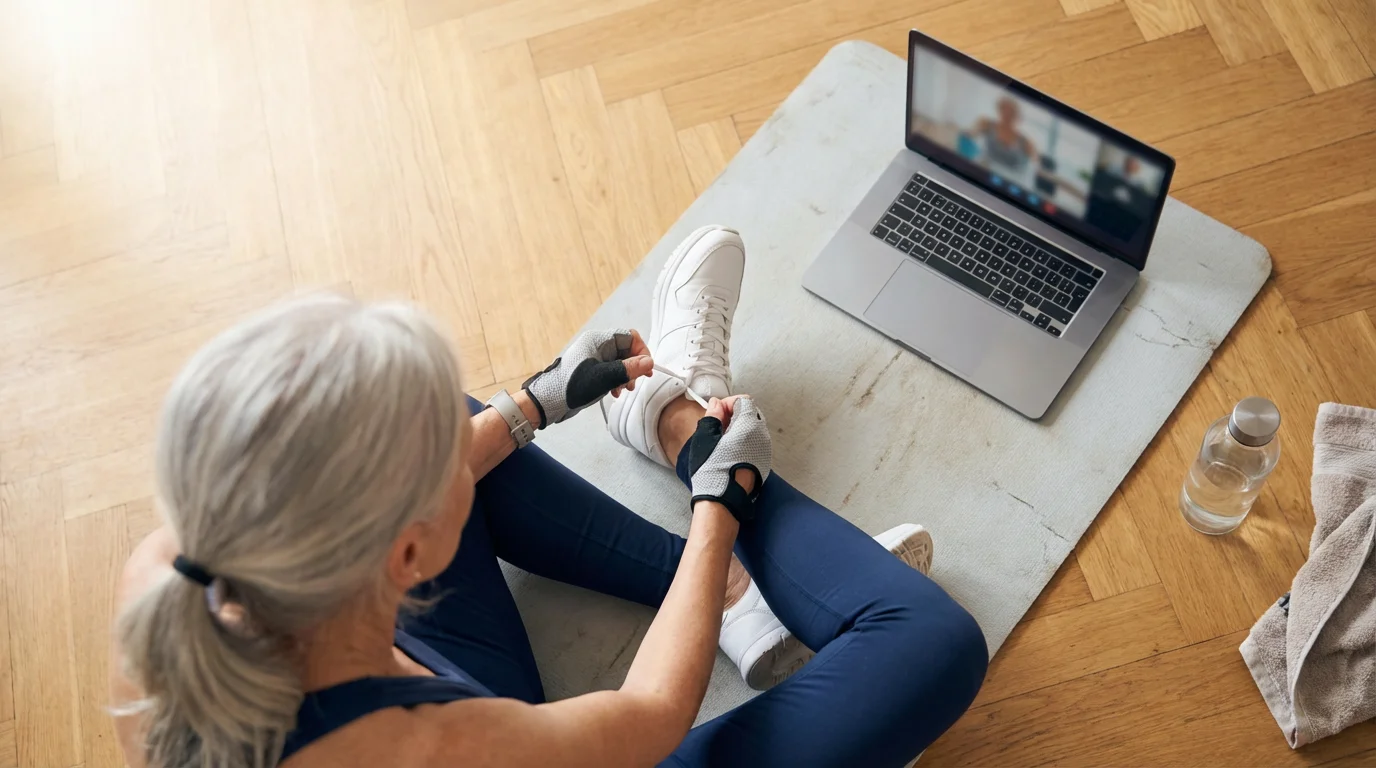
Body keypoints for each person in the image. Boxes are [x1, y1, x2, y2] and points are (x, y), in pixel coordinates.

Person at [110, 225, 988, 768]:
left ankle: (720, 566)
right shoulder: (433, 751)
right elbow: (644, 718)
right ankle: (685, 437)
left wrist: (535, 403)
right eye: (439, 477)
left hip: (399, 674)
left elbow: (412, 460)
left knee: (449, 419)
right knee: (933, 641)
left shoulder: (173, 570)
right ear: (407, 554)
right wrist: (716, 510)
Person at [973, 97, 1037, 178]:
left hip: (1009, 180)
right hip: (984, 172)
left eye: (1011, 113)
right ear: (999, 110)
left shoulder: (1025, 142)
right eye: (1004, 111)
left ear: (1016, 116)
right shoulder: (987, 124)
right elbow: (970, 136)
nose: (1007, 116)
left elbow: (1035, 166)